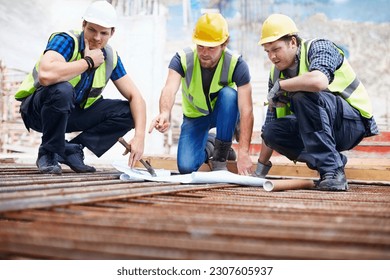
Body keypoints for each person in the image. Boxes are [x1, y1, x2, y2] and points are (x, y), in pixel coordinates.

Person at [15, 1, 146, 175]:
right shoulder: (66, 41)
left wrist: (140, 136)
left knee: (128, 112)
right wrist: (88, 62)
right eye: (92, 30)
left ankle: (72, 149)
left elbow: (136, 97)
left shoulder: (110, 57)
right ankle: (49, 151)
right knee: (63, 90)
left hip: (70, 113)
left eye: (104, 33)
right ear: (83, 24)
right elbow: (46, 75)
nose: (97, 38)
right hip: (38, 111)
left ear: (112, 33)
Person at [254, 14, 378, 191]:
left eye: (276, 49)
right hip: (318, 129)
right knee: (271, 132)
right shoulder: (276, 75)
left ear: (293, 42)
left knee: (302, 93)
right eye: (267, 52)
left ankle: (333, 171)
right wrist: (260, 170)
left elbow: (319, 81)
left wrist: (282, 85)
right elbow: (271, 123)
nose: (272, 57)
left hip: (351, 123)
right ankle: (332, 160)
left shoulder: (319, 47)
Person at [149, 13, 254, 175]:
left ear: (224, 44)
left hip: (225, 113)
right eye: (200, 46)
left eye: (211, 48)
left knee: (229, 95)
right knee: (186, 167)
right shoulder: (182, 59)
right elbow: (170, 87)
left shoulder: (236, 64)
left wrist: (244, 153)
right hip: (195, 116)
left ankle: (220, 156)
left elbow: (247, 110)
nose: (204, 52)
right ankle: (212, 144)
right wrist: (164, 112)